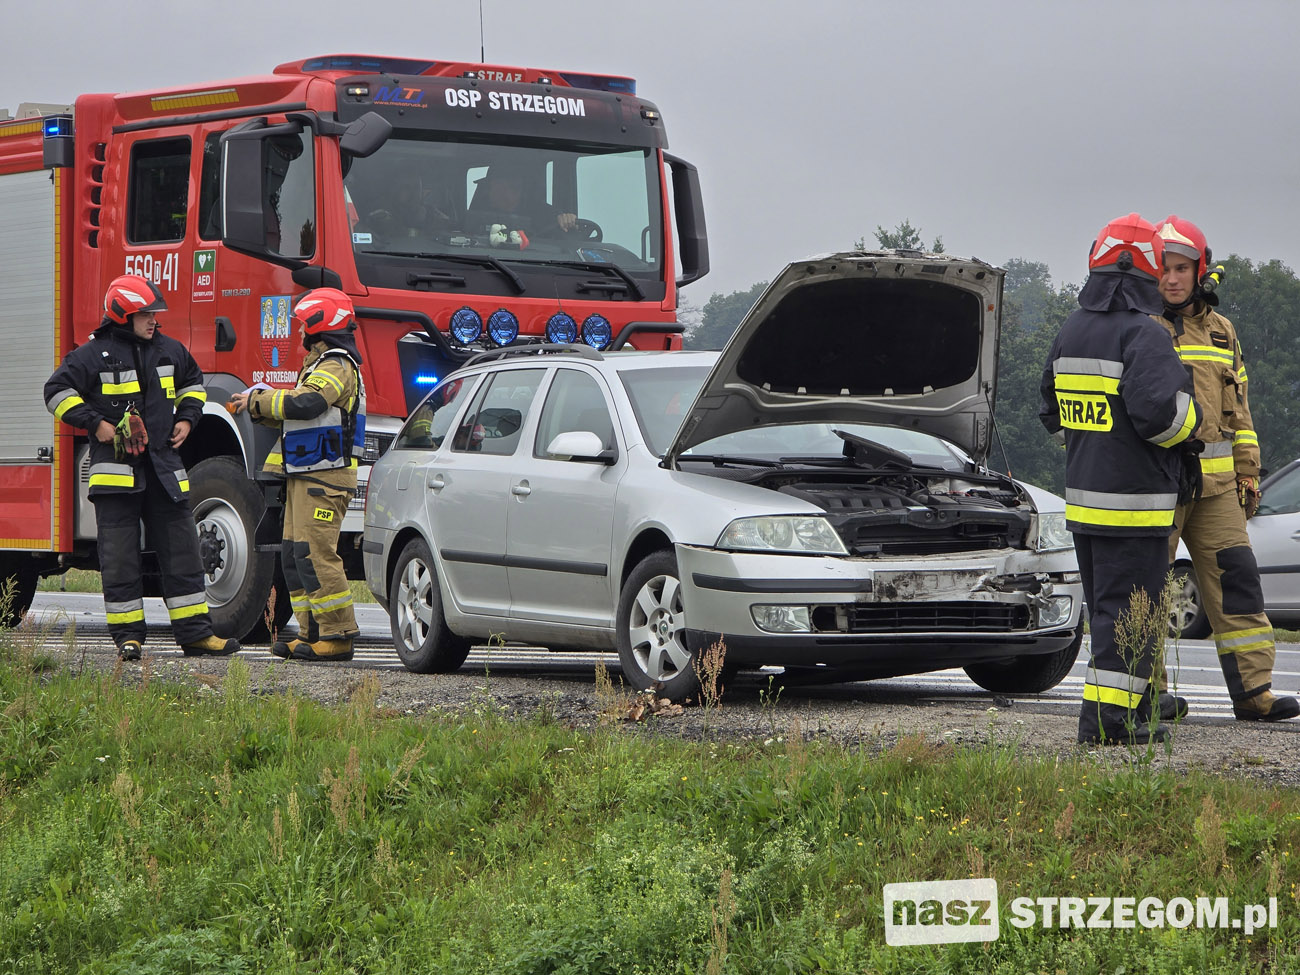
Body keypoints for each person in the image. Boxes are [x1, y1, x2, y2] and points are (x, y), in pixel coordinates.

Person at [1039, 213, 1201, 745]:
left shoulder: (1072, 329)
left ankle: (1125, 710)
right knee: (1129, 618)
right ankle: (1109, 725)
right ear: (1146, 271)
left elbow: (1050, 410)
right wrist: (1195, 420)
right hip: (1135, 504)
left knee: (1107, 617)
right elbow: (1164, 417)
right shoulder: (1143, 334)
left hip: (1085, 507)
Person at [43, 275, 240, 660]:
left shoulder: (170, 350)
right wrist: (95, 423)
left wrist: (187, 418)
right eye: (145, 314)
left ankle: (197, 634)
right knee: (121, 559)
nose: (153, 320)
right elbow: (55, 392)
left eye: (154, 313)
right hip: (116, 473)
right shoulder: (91, 355)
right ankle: (128, 638)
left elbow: (194, 384)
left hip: (165, 470)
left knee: (184, 553)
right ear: (122, 315)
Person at [1154, 215, 1299, 722]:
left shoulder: (1222, 331)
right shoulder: (1139, 324)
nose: (1171, 279)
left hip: (1216, 490)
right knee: (1146, 587)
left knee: (1238, 584)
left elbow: (1241, 413)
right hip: (1158, 487)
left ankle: (1255, 694)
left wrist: (1248, 471)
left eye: (1180, 269)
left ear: (1200, 271)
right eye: (1163, 268)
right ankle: (1148, 694)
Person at [228, 288, 366, 662]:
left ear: (320, 325)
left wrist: (258, 400)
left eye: (304, 323)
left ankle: (337, 636)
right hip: (307, 476)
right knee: (294, 554)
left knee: (316, 554)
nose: (300, 330)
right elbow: (297, 404)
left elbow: (307, 403)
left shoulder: (337, 365)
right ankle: (311, 634)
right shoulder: (319, 365)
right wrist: (256, 403)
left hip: (326, 478)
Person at [467, 161, 577, 241]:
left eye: (514, 189)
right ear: (488, 189)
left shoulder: (542, 214)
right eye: (501, 189)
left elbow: (564, 225)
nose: (508, 196)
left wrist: (567, 219)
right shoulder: (471, 218)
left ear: (523, 191)